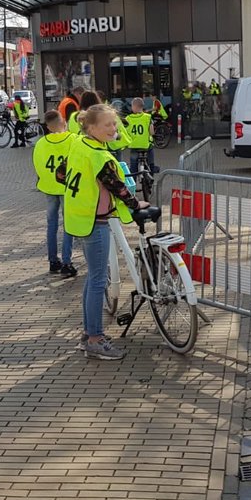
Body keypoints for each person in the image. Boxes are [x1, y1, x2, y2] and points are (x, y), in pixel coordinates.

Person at [57, 104, 148, 361]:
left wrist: (85, 188)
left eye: (114, 123)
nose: (113, 128)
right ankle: (95, 340)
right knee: (98, 280)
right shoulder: (100, 156)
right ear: (92, 127)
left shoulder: (79, 144)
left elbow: (61, 174)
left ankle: (89, 334)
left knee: (93, 278)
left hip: (79, 218)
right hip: (95, 221)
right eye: (107, 124)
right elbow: (117, 186)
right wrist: (136, 204)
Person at [33, 109, 77, 279]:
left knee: (51, 224)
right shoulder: (73, 139)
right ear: (63, 122)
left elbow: (37, 165)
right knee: (68, 225)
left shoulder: (41, 143)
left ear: (48, 126)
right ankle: (67, 262)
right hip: (66, 187)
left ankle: (53, 260)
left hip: (49, 187)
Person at [124, 97, 156, 175]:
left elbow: (125, 133)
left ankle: (133, 179)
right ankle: (151, 172)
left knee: (133, 166)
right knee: (150, 158)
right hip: (145, 146)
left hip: (134, 146)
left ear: (134, 107)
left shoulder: (128, 119)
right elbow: (152, 132)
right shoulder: (148, 117)